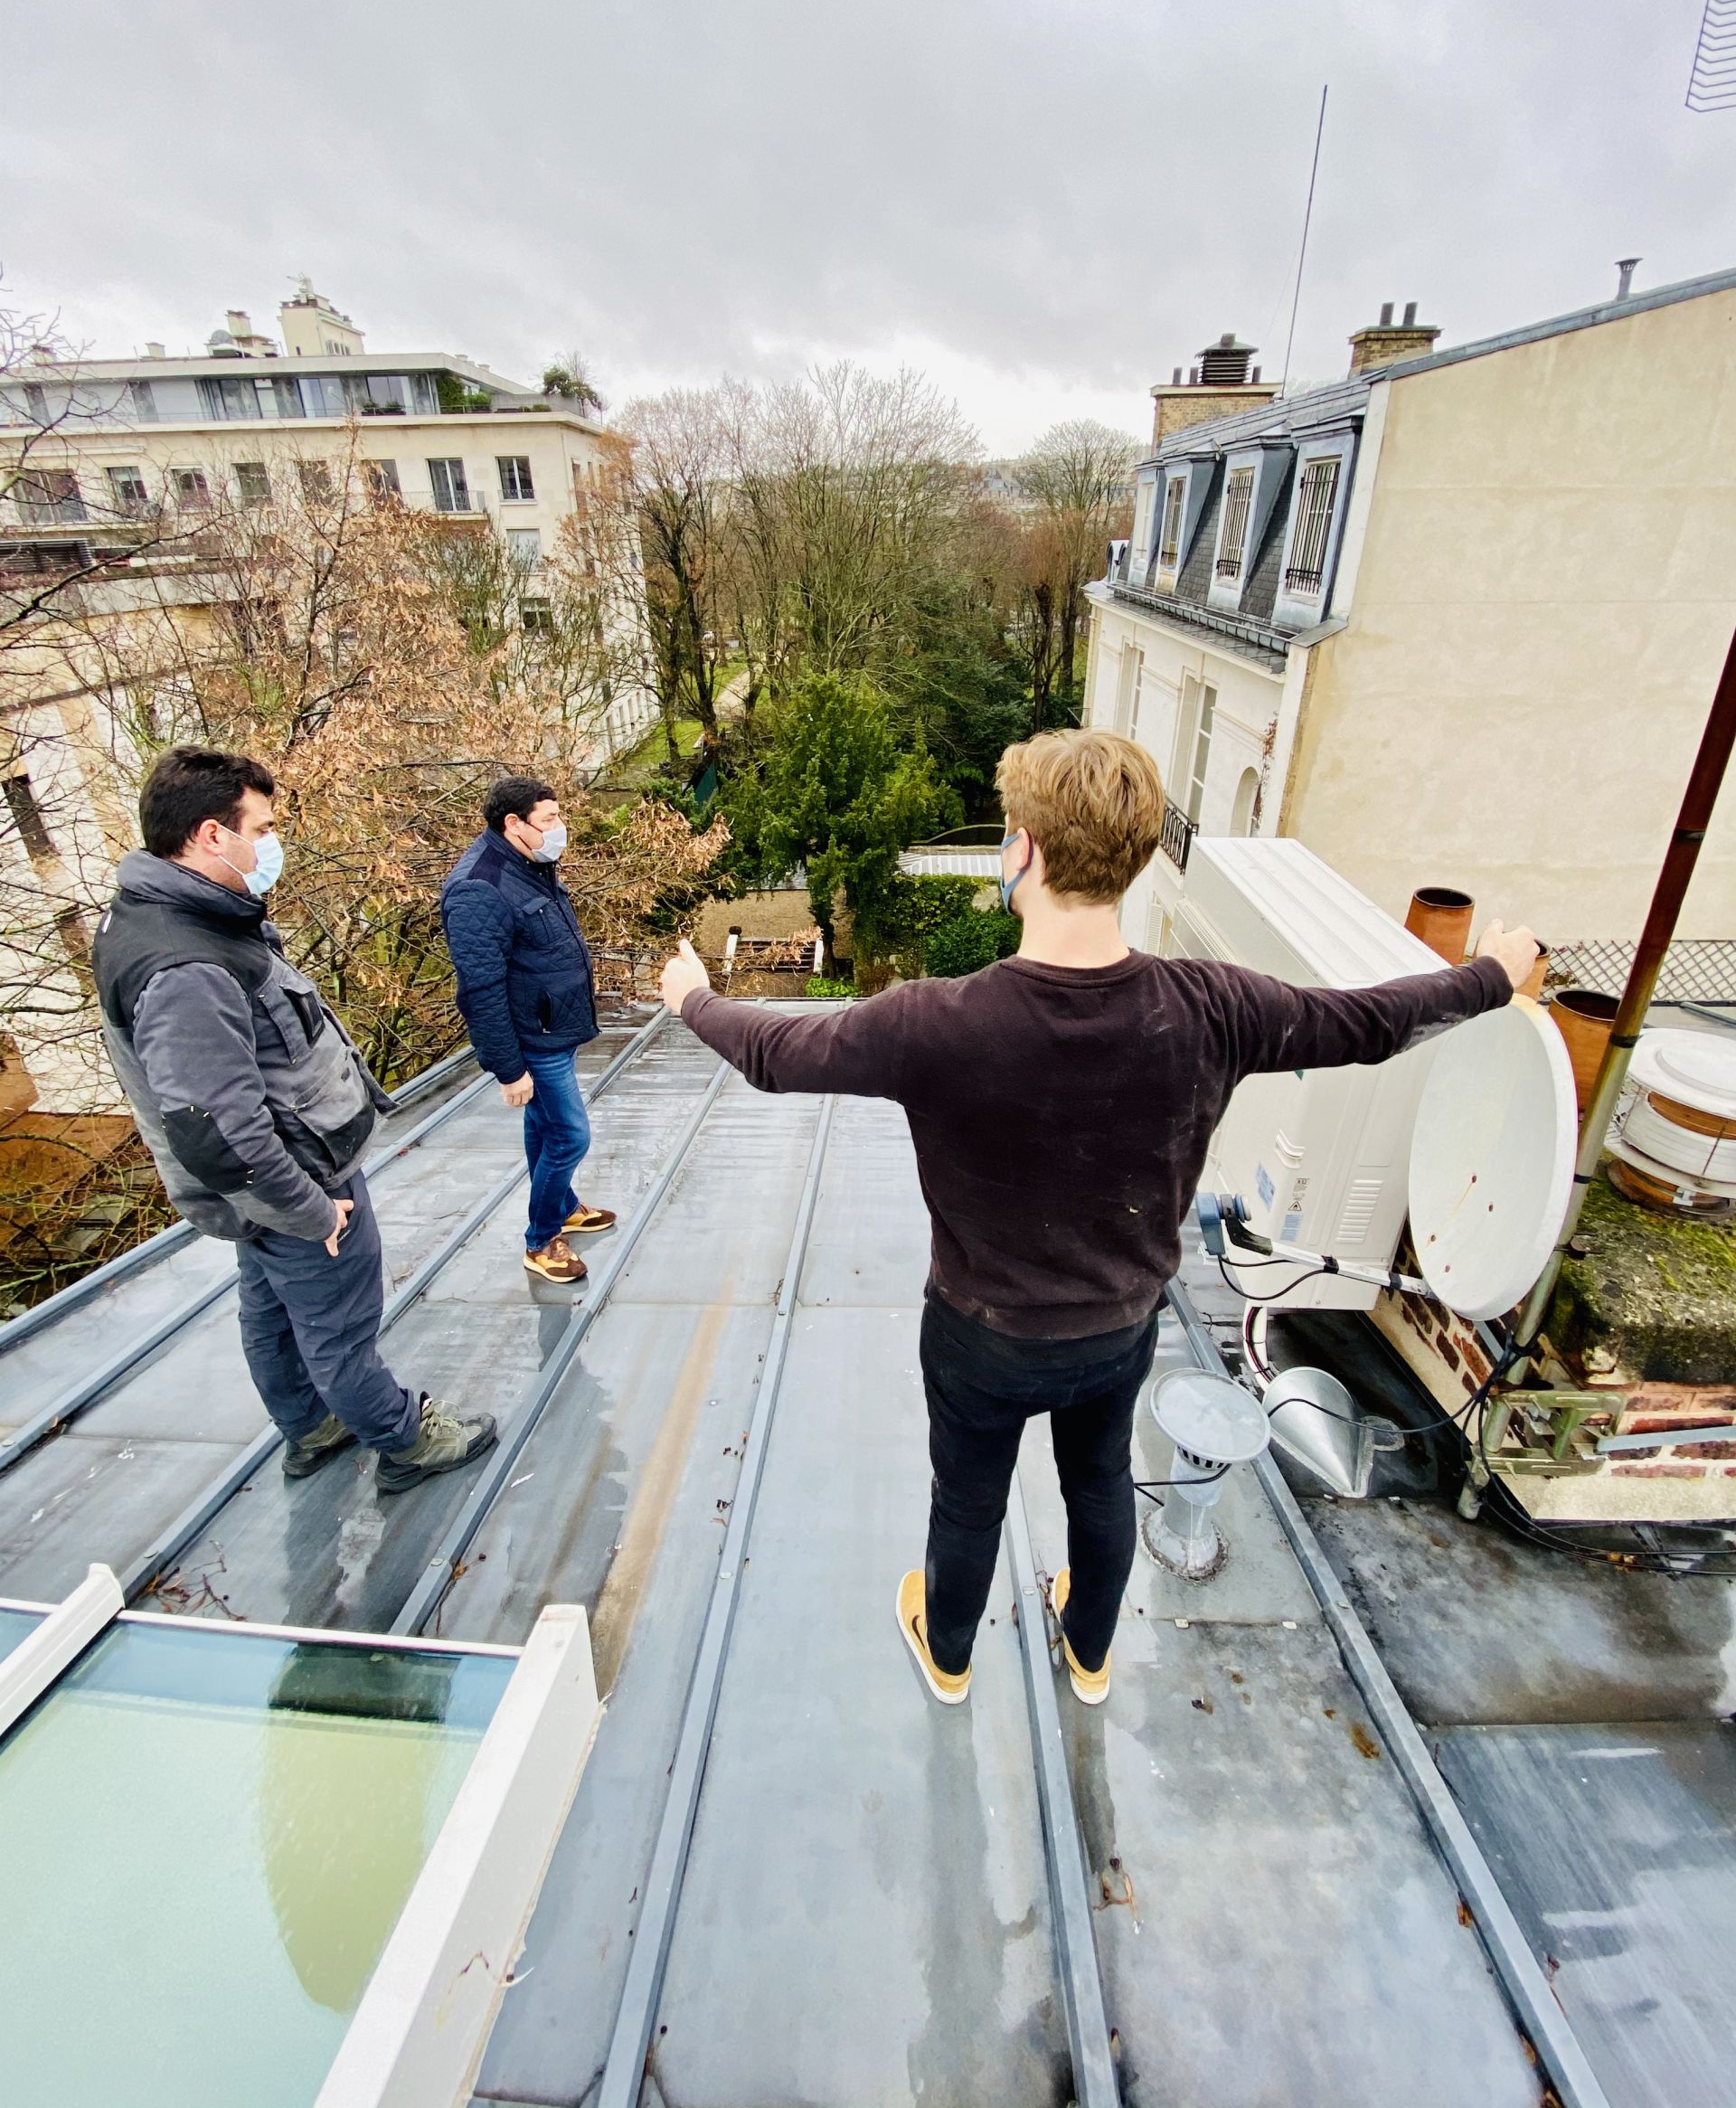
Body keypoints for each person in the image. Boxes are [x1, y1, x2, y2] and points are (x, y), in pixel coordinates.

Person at [658, 728, 1540, 1708]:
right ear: (1133, 857)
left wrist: (694, 997)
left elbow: (778, 1055)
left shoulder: (936, 1021)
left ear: (1023, 849)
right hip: (1117, 1330)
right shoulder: (1213, 1005)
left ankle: (948, 1656)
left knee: (969, 1499)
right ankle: (1089, 1653)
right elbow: (1373, 1024)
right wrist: (1494, 974)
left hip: (979, 1339)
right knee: (1099, 1483)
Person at [91, 746, 498, 1492]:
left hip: (271, 1187)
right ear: (214, 836)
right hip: (296, 1183)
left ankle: (311, 1426)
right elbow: (217, 1129)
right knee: (336, 1325)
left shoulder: (178, 918)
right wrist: (313, 1211)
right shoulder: (186, 965)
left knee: (272, 1308)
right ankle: (401, 1438)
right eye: (265, 826)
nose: (273, 842)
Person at [440, 774, 615, 1286]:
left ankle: (564, 1207)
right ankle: (541, 1240)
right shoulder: (479, 888)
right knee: (570, 1136)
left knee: (544, 1128)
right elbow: (480, 989)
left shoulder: (529, 864)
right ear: (512, 824)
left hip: (553, 1027)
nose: (561, 829)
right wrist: (509, 1069)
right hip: (531, 1040)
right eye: (550, 820)